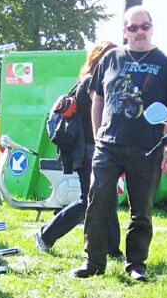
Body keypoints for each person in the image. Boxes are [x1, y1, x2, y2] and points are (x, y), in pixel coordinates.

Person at [74, 6, 167, 282]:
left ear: (152, 28)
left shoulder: (166, 63)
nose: (139, 32)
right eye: (133, 27)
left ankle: (136, 264)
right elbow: (97, 99)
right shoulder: (110, 58)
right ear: (124, 30)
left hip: (148, 146)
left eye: (144, 26)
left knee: (141, 209)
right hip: (109, 145)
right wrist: (97, 136)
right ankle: (93, 261)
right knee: (98, 202)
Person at [34, 41, 122, 258]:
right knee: (88, 201)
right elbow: (103, 115)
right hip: (91, 150)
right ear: (99, 59)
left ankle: (113, 250)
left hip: (94, 149)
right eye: (110, 57)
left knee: (108, 200)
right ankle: (45, 235)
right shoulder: (92, 82)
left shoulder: (90, 81)